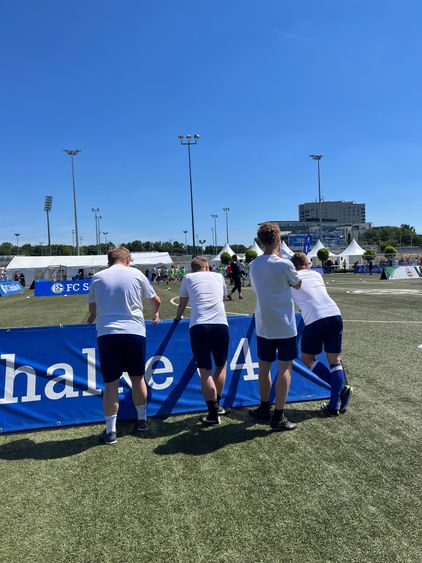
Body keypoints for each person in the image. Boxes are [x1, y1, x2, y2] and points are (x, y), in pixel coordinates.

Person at [87, 246, 161, 445]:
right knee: (138, 379)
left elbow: (92, 309)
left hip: (108, 334)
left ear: (109, 260)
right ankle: (142, 420)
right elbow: (156, 300)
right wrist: (155, 314)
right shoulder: (136, 274)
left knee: (111, 384)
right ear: (127, 259)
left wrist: (92, 317)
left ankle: (111, 431)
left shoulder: (98, 277)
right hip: (134, 332)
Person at [248, 223, 302, 431]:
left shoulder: (254, 265)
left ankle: (264, 407)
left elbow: (257, 287)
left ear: (260, 241)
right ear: (278, 240)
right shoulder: (285, 264)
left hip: (264, 324)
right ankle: (278, 416)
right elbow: (297, 284)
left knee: (264, 367)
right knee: (285, 368)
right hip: (284, 325)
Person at [290, 252, 352, 416]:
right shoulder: (317, 275)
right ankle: (334, 404)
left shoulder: (291, 278)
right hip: (335, 314)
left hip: (316, 319)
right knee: (335, 361)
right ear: (307, 264)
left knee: (307, 358)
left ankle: (340, 390)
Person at [174, 256, 229, 425]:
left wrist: (177, 317)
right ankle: (217, 405)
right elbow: (223, 298)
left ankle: (212, 412)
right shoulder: (218, 276)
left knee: (205, 370)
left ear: (193, 268)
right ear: (207, 267)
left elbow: (182, 303)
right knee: (221, 365)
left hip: (199, 326)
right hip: (220, 324)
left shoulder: (188, 277)